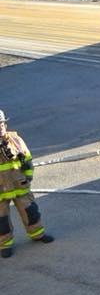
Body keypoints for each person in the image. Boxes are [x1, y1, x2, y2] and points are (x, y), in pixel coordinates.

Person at [0, 109, 54, 258]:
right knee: (1, 220)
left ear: (5, 125)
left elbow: (27, 159)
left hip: (20, 185)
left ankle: (38, 234)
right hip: (1, 191)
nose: (0, 128)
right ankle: (5, 244)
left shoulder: (15, 140)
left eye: (1, 125)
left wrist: (28, 176)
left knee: (31, 212)